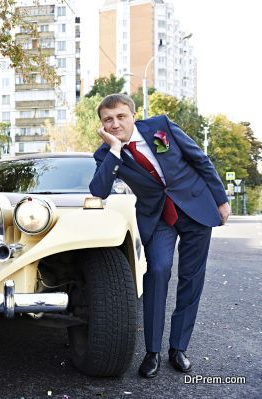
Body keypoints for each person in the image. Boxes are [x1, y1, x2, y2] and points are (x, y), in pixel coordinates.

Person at [89, 94, 230, 378]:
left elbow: (199, 160)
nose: (115, 124)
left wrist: (221, 199)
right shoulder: (105, 154)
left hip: (195, 206)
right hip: (157, 218)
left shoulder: (160, 126)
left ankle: (178, 349)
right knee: (158, 271)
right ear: (102, 125)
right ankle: (152, 352)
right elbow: (99, 191)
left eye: (120, 116)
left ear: (133, 115)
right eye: (108, 120)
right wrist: (115, 149)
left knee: (192, 279)